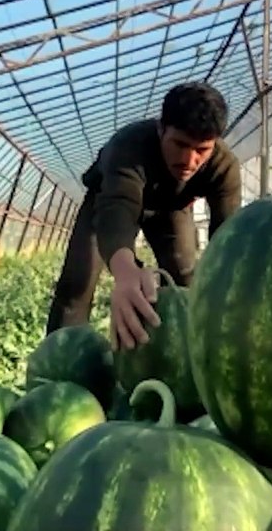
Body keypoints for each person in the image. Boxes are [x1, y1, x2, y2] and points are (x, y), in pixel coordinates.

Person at [45, 82, 242, 350]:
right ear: (161, 128)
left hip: (171, 208)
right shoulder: (129, 145)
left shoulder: (223, 166)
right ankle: (59, 363)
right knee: (77, 283)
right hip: (107, 200)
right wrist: (126, 272)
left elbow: (227, 235)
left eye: (201, 150)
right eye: (180, 144)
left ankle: (186, 353)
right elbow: (118, 206)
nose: (189, 159)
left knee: (184, 277)